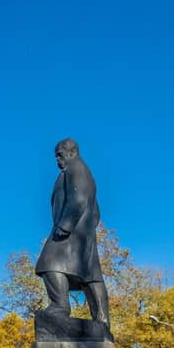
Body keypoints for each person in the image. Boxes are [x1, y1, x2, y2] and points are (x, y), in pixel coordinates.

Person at [35, 137, 109, 326]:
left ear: (71, 153)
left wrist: (66, 225)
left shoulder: (76, 168)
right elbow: (96, 211)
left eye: (60, 155)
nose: (57, 160)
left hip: (70, 230)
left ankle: (60, 306)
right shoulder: (83, 171)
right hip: (82, 234)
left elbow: (79, 198)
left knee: (48, 262)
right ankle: (102, 320)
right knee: (90, 275)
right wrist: (87, 229)